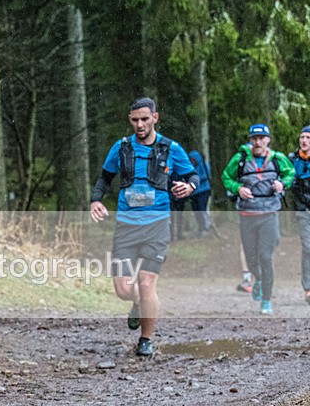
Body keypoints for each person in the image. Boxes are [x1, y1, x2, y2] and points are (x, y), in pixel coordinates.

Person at [90, 97, 198, 356]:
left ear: (155, 118)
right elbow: (105, 178)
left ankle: (145, 340)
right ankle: (138, 303)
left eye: (144, 119)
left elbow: (193, 175)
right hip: (126, 226)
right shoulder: (122, 147)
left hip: (157, 225)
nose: (140, 124)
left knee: (147, 282)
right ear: (130, 120)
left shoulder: (170, 148)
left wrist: (189, 186)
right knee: (123, 289)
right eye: (135, 120)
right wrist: (95, 200)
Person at [221, 123, 294, 315]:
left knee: (265, 255)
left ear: (268, 139)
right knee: (251, 259)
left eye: (262, 138)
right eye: (254, 138)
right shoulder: (241, 159)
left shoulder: (278, 159)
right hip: (247, 214)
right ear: (250, 140)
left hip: (269, 214)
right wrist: (238, 189)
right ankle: (258, 279)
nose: (258, 142)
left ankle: (266, 300)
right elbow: (226, 177)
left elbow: (290, 173)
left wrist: (282, 184)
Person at [289, 125, 310, 304]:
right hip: (302, 209)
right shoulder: (292, 159)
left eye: (308, 138)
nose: (304, 141)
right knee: (308, 246)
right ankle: (308, 288)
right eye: (302, 137)